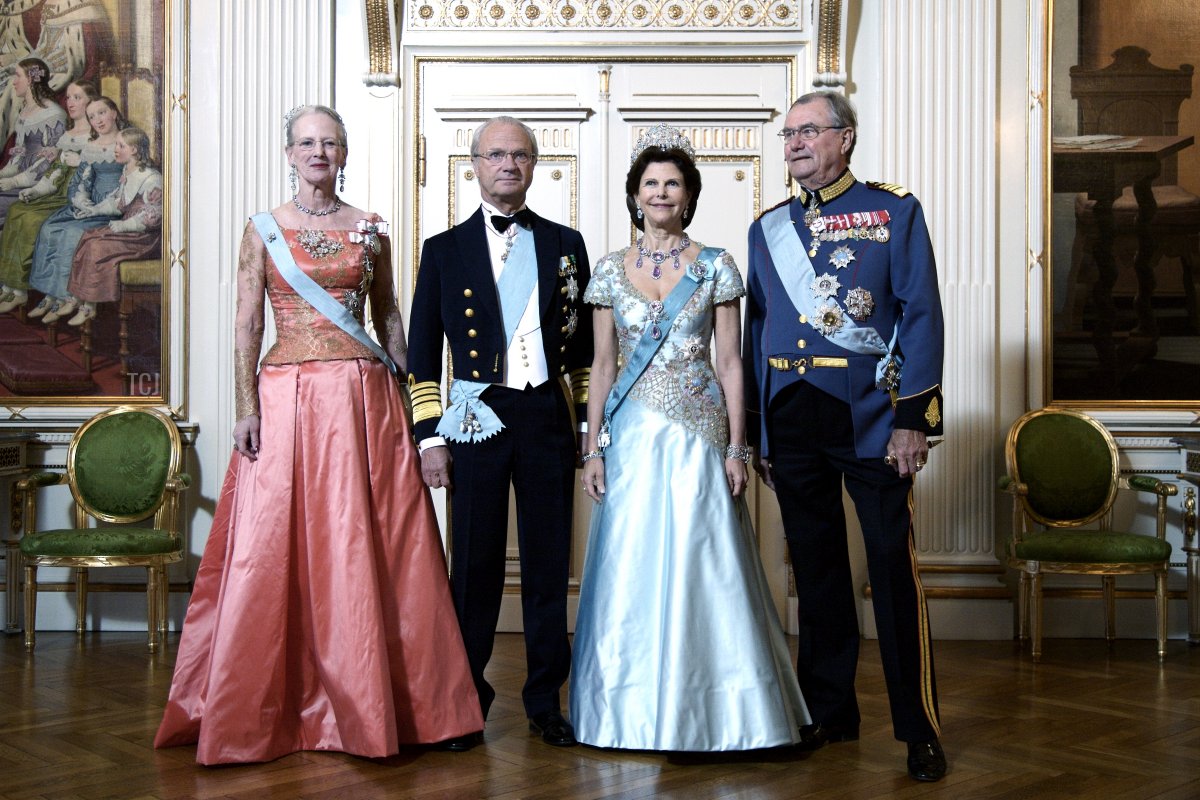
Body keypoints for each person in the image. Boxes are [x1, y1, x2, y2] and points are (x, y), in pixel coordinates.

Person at [154, 104, 483, 765]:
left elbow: (389, 318)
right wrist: (245, 405)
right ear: (289, 153)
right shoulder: (263, 229)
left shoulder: (370, 228)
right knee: (276, 542)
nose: (318, 153)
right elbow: (248, 322)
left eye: (330, 143)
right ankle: (277, 708)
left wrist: (414, 407)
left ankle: (399, 706)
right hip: (291, 396)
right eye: (307, 143)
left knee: (377, 538)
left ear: (344, 153)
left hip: (366, 398)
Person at [570, 123, 809, 751]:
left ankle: (724, 714)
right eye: (650, 183)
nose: (661, 192)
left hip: (699, 434)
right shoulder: (609, 269)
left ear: (689, 195)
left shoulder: (716, 265)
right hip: (630, 436)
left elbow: (730, 363)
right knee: (631, 563)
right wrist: (592, 450)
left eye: (672, 183)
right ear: (634, 194)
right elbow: (602, 366)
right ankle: (623, 713)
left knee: (706, 562)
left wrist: (737, 447)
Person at [743, 90, 947, 782]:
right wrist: (758, 430)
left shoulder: (894, 212)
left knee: (890, 570)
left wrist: (913, 419)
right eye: (788, 134)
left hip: (870, 418)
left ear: (846, 137)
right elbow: (757, 330)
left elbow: (921, 314)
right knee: (816, 572)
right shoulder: (767, 227)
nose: (795, 144)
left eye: (809, 131)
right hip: (793, 417)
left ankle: (918, 728)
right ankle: (830, 711)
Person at [407, 115, 592, 751]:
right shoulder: (443, 249)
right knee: (474, 567)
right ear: (475, 166)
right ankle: (467, 702)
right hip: (474, 419)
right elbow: (422, 355)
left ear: (535, 165)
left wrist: (587, 425)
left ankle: (545, 702)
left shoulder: (566, 243)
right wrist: (429, 437)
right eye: (495, 154)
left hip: (545, 418)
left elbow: (584, 352)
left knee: (548, 566)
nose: (508, 164)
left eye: (519, 154)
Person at [0, 77, 95, 314]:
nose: (70, 102)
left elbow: (102, 171)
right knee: (17, 211)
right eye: (69, 97)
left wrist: (82, 161)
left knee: (32, 220)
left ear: (90, 102)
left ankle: (21, 290)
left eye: (77, 97)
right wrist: (34, 191)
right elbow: (54, 174)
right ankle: (10, 285)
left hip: (79, 196)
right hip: (56, 193)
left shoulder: (96, 136)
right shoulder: (67, 135)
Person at [26, 93, 124, 323]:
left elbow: (131, 180)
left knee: (73, 233)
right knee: (50, 227)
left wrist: (98, 207)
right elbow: (81, 180)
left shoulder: (124, 142)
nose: (98, 120)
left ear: (114, 113)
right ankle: (52, 294)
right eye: (92, 117)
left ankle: (70, 296)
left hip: (112, 206)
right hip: (89, 204)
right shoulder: (91, 146)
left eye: (102, 113)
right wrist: (81, 200)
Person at [63, 125, 161, 326]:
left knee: (97, 246)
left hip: (144, 237)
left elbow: (154, 216)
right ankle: (78, 298)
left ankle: (89, 307)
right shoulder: (128, 170)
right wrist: (94, 210)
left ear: (134, 150)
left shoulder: (152, 178)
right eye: (116, 144)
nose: (115, 149)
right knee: (88, 236)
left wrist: (125, 226)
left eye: (120, 146)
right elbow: (118, 201)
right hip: (129, 231)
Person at [0, 57, 64, 225]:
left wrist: (14, 181)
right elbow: (17, 158)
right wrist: (3, 176)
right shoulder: (24, 112)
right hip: (16, 184)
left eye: (18, 76)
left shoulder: (53, 114)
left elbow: (51, 162)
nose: (14, 82)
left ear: (30, 80)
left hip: (38, 188)